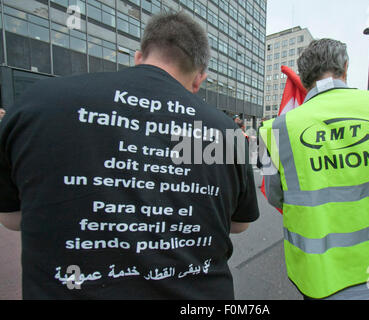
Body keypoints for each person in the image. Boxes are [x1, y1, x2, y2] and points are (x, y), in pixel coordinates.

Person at [0, 12, 259, 299]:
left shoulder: (39, 103)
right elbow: (239, 224)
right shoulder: (224, 131)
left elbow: (11, 218)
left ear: (138, 57)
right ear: (199, 78)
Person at [259, 38, 369, 300]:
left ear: (304, 78)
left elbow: (274, 196)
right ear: (345, 68)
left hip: (317, 275)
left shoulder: (272, 130)